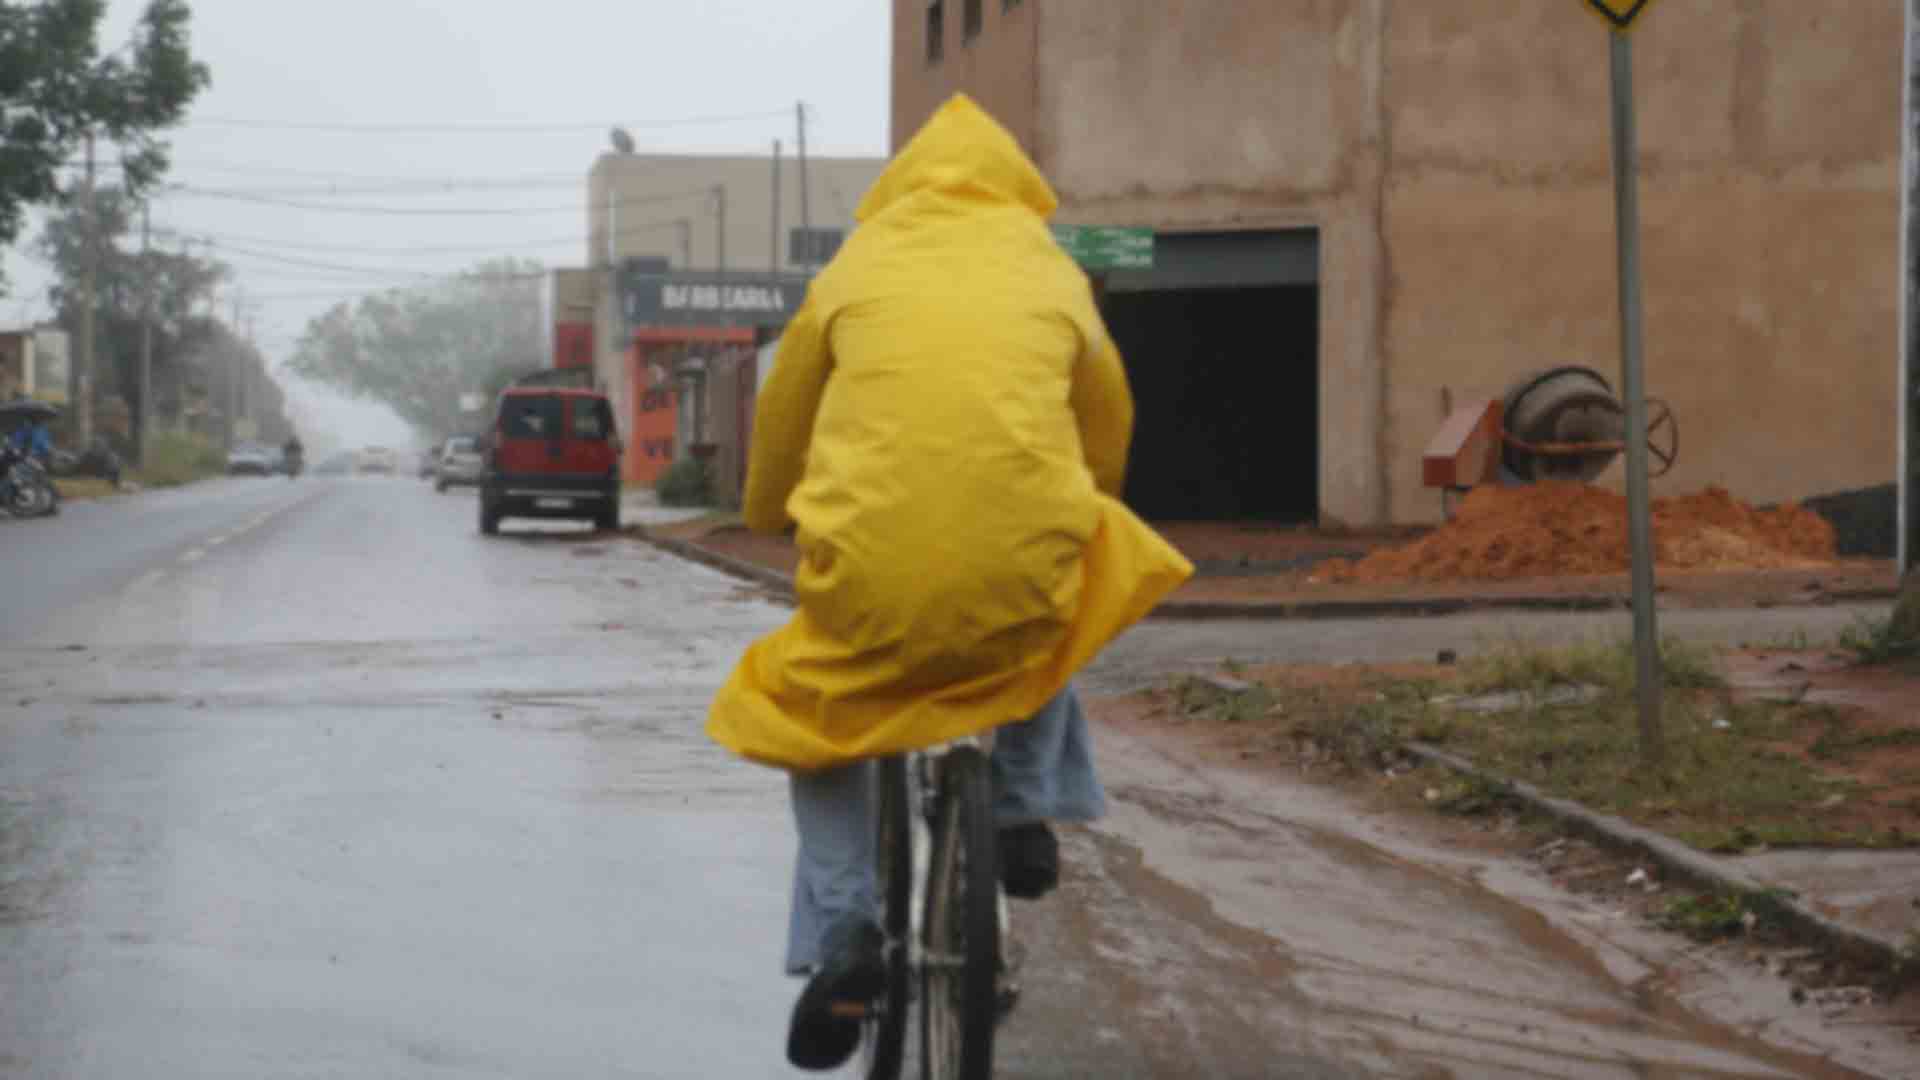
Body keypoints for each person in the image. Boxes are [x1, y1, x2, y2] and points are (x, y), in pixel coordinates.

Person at [704, 95, 1193, 1072]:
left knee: (816, 721)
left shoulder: (857, 267)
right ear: (1015, 183)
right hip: (1016, 566)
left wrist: (768, 514)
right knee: (1065, 595)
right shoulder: (1048, 268)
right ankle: (1016, 806)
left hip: (873, 574)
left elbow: (785, 414)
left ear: (900, 187)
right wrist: (1082, 504)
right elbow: (1108, 422)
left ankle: (846, 931)